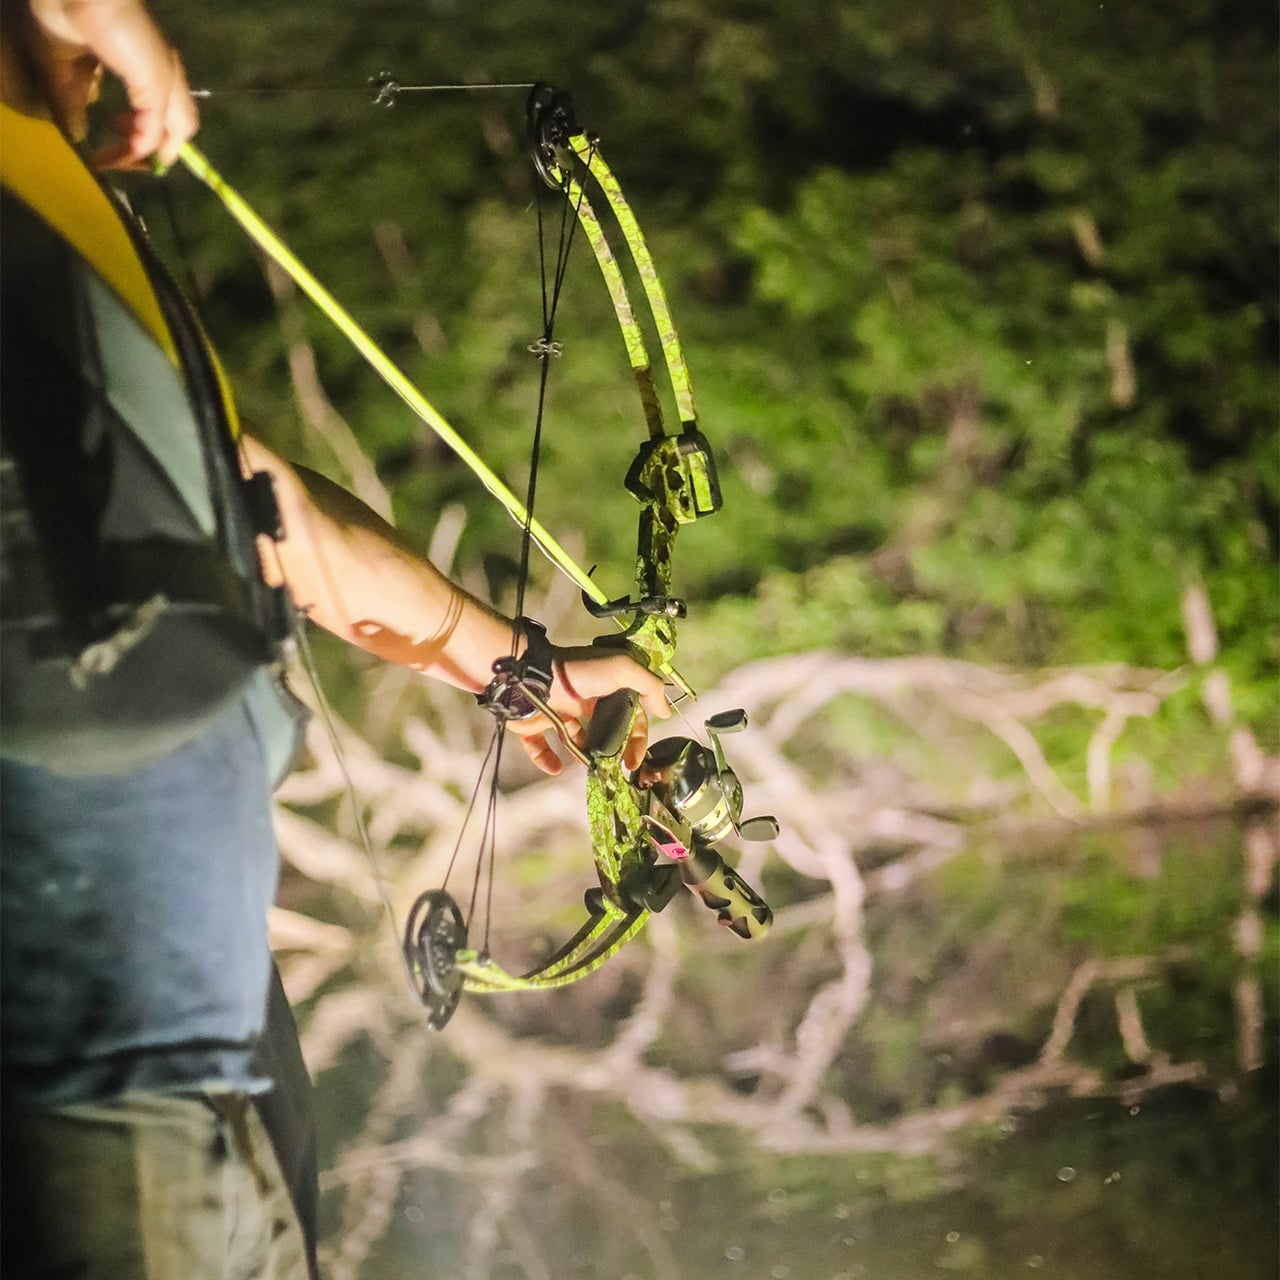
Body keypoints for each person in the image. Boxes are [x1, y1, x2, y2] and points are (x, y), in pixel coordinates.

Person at [0, 2, 671, 1276]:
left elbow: (265, 505)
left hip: (181, 913)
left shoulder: (55, 199)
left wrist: (518, 670)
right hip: (86, 874)